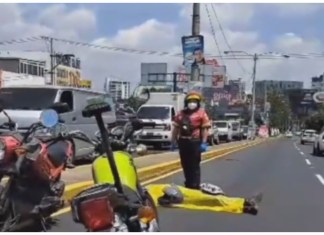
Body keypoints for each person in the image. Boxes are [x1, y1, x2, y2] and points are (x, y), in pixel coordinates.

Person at [171, 91, 210, 189]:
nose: (192, 103)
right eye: (190, 101)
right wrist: (173, 141)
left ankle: (195, 185)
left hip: (195, 142)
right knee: (185, 164)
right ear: (186, 102)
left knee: (194, 165)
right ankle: (188, 183)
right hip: (183, 142)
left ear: (198, 102)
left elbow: (204, 129)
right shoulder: (181, 114)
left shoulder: (202, 113)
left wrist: (204, 143)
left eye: (194, 101)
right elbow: (176, 129)